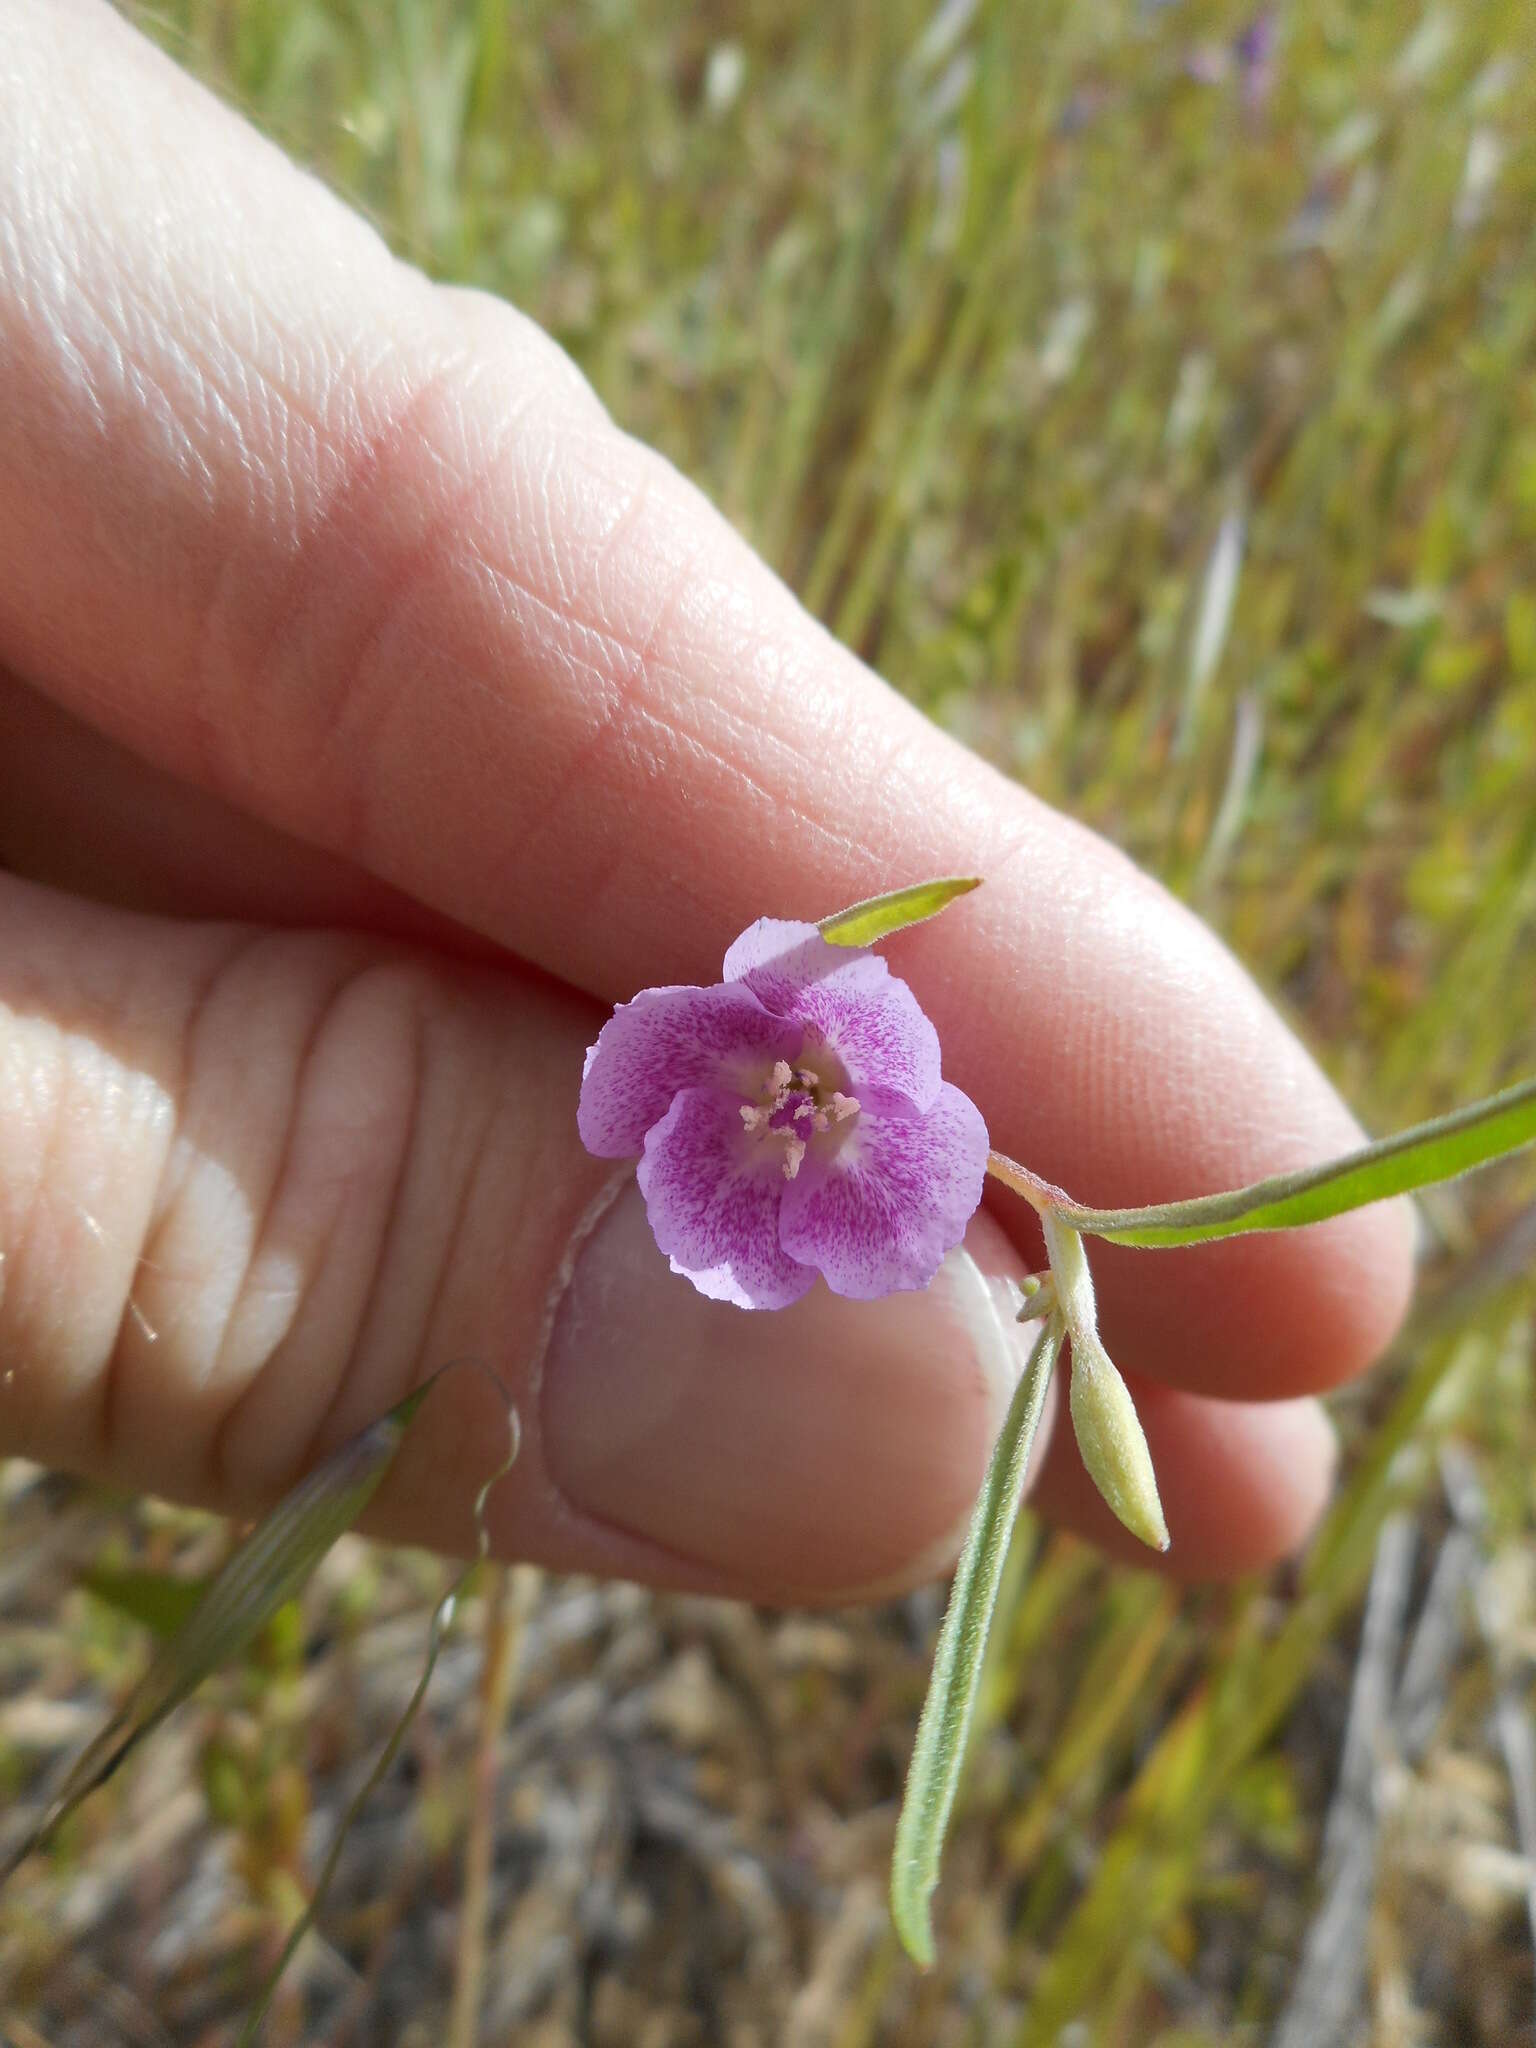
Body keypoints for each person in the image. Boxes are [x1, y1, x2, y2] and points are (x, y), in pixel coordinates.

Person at [0, 0, 1411, 1605]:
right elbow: (647, 1091)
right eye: (805, 1086)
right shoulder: (714, 1043)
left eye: (811, 1093)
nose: (799, 1099)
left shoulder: (873, 1130)